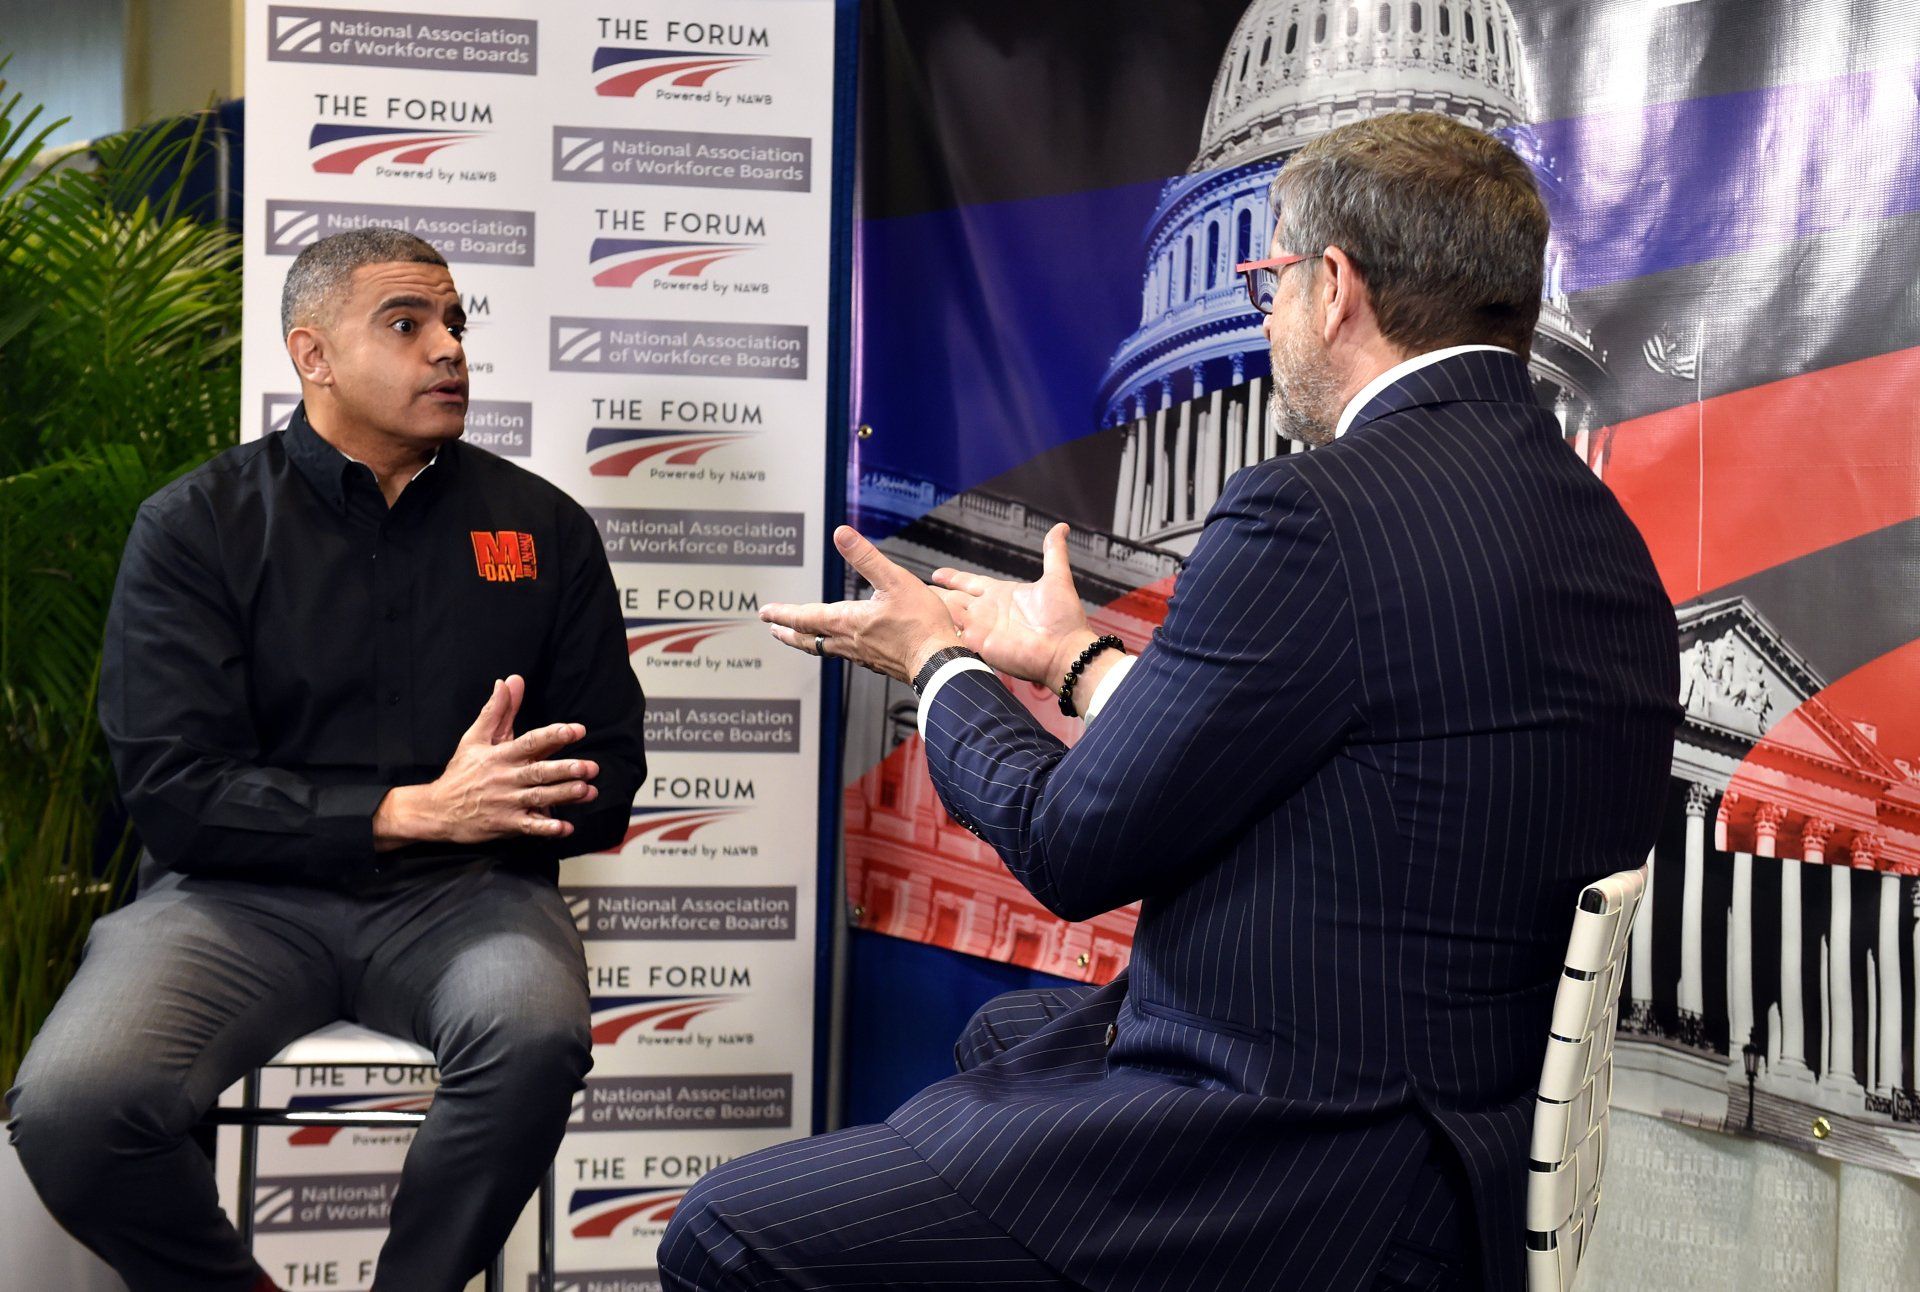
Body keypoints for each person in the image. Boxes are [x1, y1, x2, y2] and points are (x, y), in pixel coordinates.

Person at [659, 112, 1679, 1290]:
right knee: (1008, 1039)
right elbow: (1340, 740)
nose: (1266, 310)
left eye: (1271, 276)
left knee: (724, 1232)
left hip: (1301, 1160)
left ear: (1335, 288)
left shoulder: (1313, 513)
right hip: (1465, 1143)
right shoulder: (1600, 533)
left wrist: (940, 665)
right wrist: (1071, 660)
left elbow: (1069, 844)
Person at [6, 227, 647, 1292]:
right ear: (313, 356)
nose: (448, 347)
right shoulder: (196, 527)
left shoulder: (542, 529)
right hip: (230, 900)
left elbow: (607, 776)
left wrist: (503, 809)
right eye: (407, 323)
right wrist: (408, 809)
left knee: (531, 1033)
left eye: (455, 323)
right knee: (74, 1104)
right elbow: (172, 789)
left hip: (466, 900)